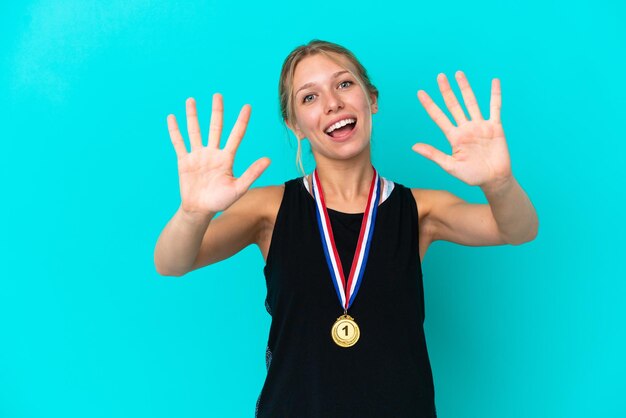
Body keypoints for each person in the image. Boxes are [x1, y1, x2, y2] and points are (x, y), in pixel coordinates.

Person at [154, 40, 538, 418]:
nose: (332, 103)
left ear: (371, 99)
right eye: (309, 97)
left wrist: (499, 183)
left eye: (344, 84)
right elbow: (172, 262)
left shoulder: (420, 209)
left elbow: (517, 230)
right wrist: (193, 212)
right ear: (295, 125)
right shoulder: (269, 209)